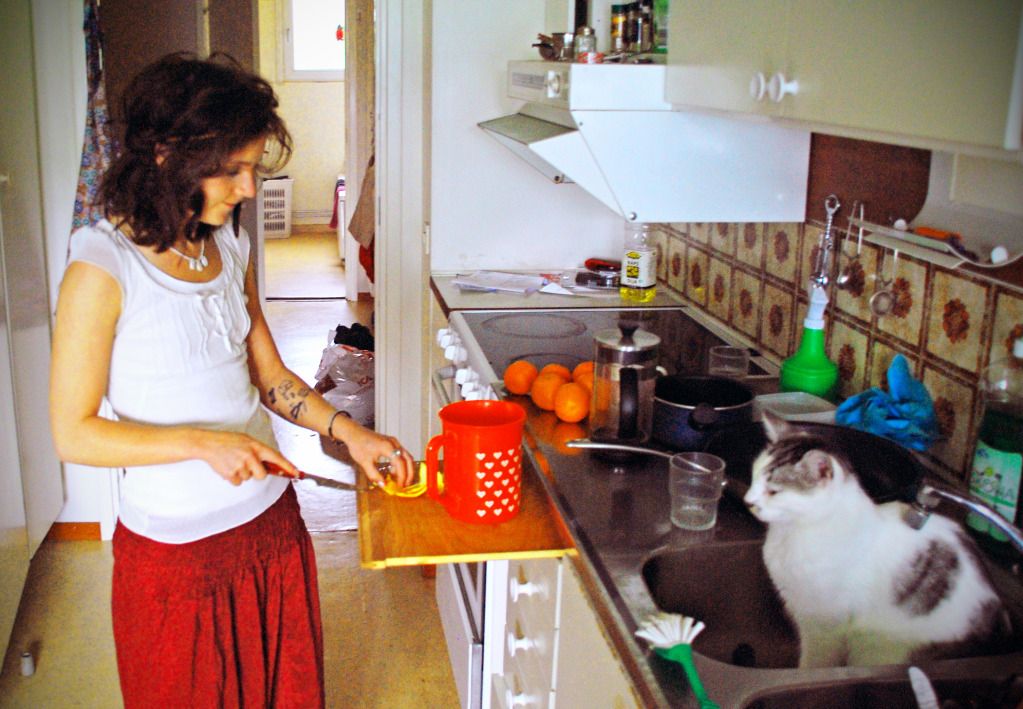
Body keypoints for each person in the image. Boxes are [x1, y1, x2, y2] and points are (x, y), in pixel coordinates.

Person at [48, 52, 415, 708]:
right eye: (232, 168)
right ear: (166, 154)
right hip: (174, 551)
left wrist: (349, 433)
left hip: (269, 526)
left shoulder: (227, 247)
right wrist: (203, 443)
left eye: (254, 166)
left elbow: (269, 376)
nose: (248, 187)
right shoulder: (103, 267)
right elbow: (73, 433)